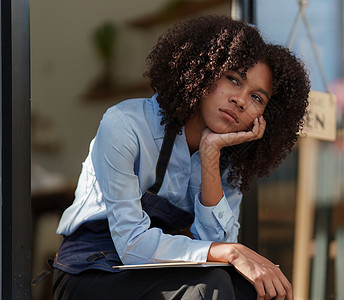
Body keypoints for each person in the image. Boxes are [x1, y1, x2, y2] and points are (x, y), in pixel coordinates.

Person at [52, 15, 310, 300]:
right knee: (208, 288)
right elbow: (132, 244)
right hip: (91, 270)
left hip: (161, 269)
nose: (241, 100)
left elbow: (219, 251)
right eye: (233, 80)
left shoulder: (231, 160)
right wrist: (232, 251)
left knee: (252, 290)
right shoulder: (125, 124)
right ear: (204, 69)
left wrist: (211, 156)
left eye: (257, 98)